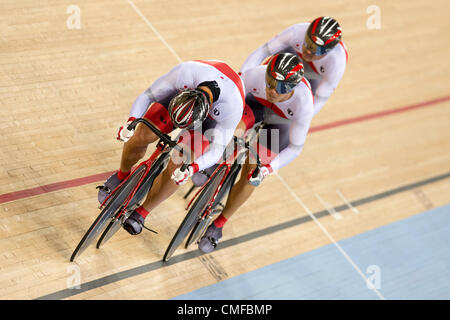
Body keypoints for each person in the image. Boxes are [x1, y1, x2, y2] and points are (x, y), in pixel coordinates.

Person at [97, 60, 245, 235]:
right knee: (142, 135)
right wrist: (131, 123)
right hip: (184, 100)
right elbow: (148, 96)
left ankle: (141, 213)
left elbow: (216, 151)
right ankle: (122, 175)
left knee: (179, 166)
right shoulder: (185, 73)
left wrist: (192, 168)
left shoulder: (232, 107)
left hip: (210, 118)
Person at [198, 53, 314, 253]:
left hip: (280, 123)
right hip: (256, 105)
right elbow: (230, 98)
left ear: (293, 88)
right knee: (235, 130)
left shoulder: (304, 104)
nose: (273, 91)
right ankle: (218, 161)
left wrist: (267, 169)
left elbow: (295, 148)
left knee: (253, 172)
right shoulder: (255, 75)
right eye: (270, 83)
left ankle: (219, 224)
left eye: (281, 88)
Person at [240, 16, 347, 116]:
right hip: (292, 55)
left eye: (316, 49)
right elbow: (263, 52)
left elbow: (321, 97)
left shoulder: (337, 62)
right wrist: (241, 82)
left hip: (313, 75)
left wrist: (301, 117)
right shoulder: (297, 31)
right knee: (271, 76)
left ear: (328, 51)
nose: (309, 51)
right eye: (308, 43)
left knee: (300, 102)